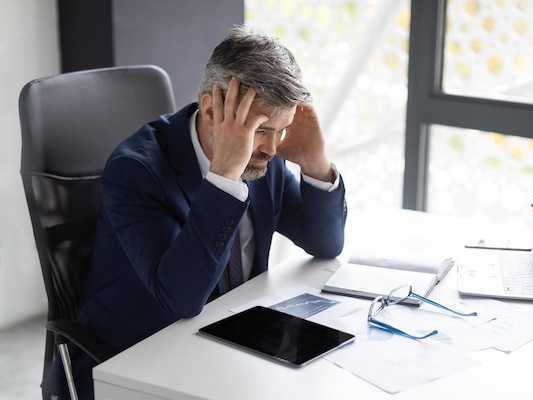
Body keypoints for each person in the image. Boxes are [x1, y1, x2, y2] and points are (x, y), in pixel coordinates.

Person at [42, 26, 347, 400]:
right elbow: (182, 298)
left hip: (228, 346)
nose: (272, 147)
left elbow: (325, 243)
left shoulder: (265, 157)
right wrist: (224, 178)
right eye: (261, 130)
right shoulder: (136, 171)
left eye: (281, 130)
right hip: (134, 361)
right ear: (210, 111)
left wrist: (316, 164)